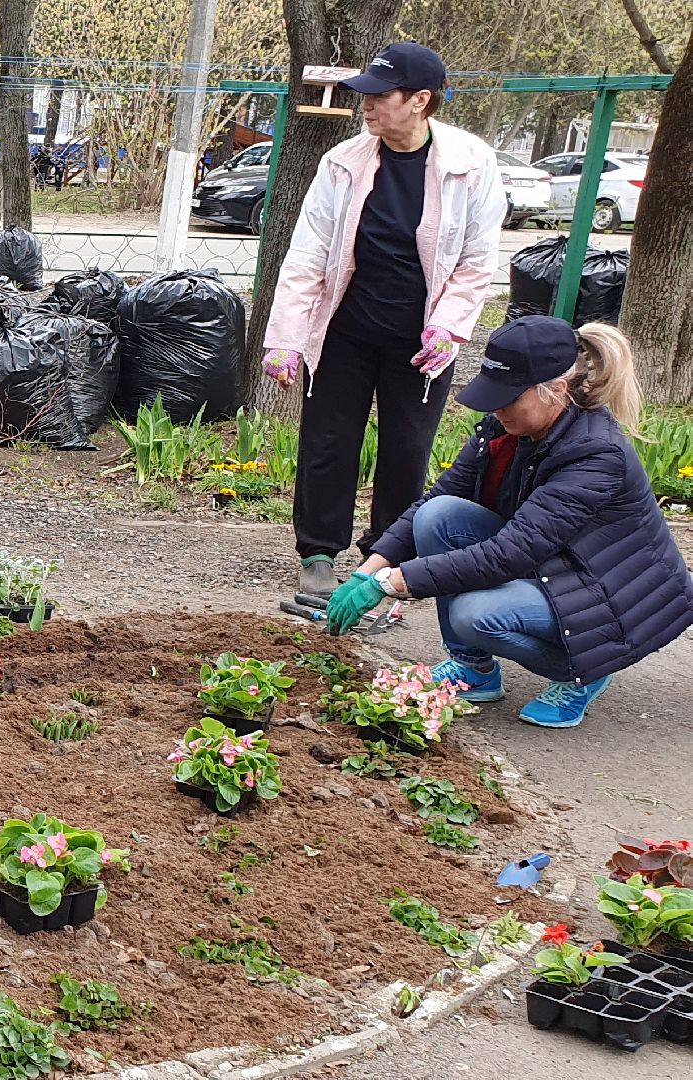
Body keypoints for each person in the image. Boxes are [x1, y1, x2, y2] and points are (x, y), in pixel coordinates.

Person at [324, 317, 693, 728]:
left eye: (508, 398)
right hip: (552, 565)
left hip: (609, 595)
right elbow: (436, 500)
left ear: (555, 390)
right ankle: (473, 670)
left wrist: (391, 583)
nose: (496, 408)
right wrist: (367, 571)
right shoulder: (506, 429)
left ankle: (583, 671)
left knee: (475, 614)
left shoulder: (594, 454)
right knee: (438, 516)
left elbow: (510, 553)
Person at [261, 42, 506, 601]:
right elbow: (307, 254)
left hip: (422, 338)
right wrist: (287, 340)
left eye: (379, 95)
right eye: (363, 94)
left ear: (421, 100)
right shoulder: (342, 163)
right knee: (328, 440)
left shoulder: (472, 165)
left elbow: (476, 261)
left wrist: (447, 328)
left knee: (407, 447)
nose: (365, 105)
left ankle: (387, 554)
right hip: (345, 329)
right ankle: (319, 553)